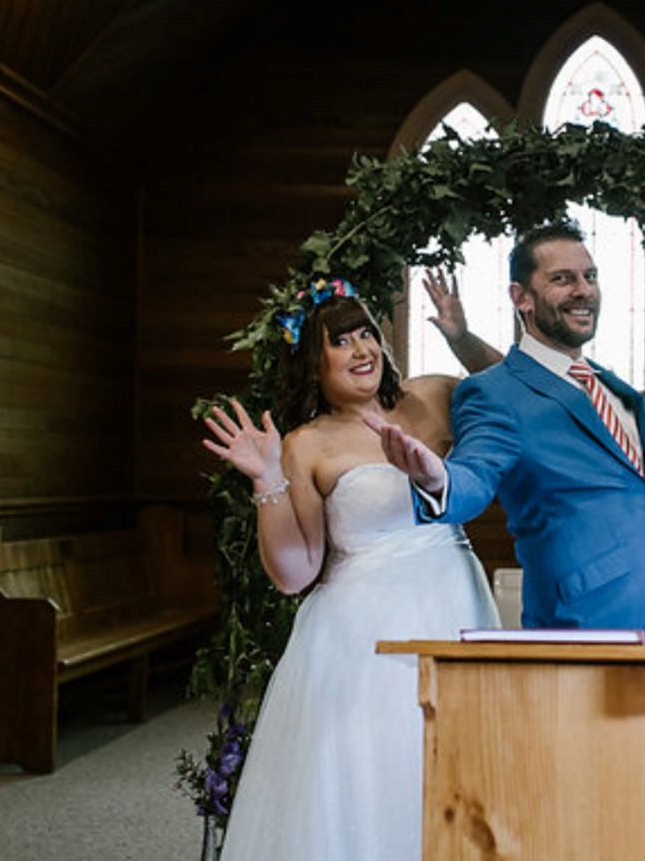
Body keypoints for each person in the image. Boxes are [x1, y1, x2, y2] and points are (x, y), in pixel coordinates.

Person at [201, 271, 503, 859]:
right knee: (371, 769)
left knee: (459, 759)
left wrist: (461, 337)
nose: (361, 349)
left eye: (365, 333)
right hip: (361, 634)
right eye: (340, 342)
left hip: (454, 604)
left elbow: (514, 387)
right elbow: (296, 571)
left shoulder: (431, 395)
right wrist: (265, 480)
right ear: (313, 366)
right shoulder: (307, 444)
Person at [371, 220, 645, 643]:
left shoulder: (621, 394)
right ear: (520, 297)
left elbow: (638, 515)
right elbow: (475, 473)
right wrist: (439, 480)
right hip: (580, 626)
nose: (584, 290)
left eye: (590, 276)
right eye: (562, 279)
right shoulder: (494, 392)